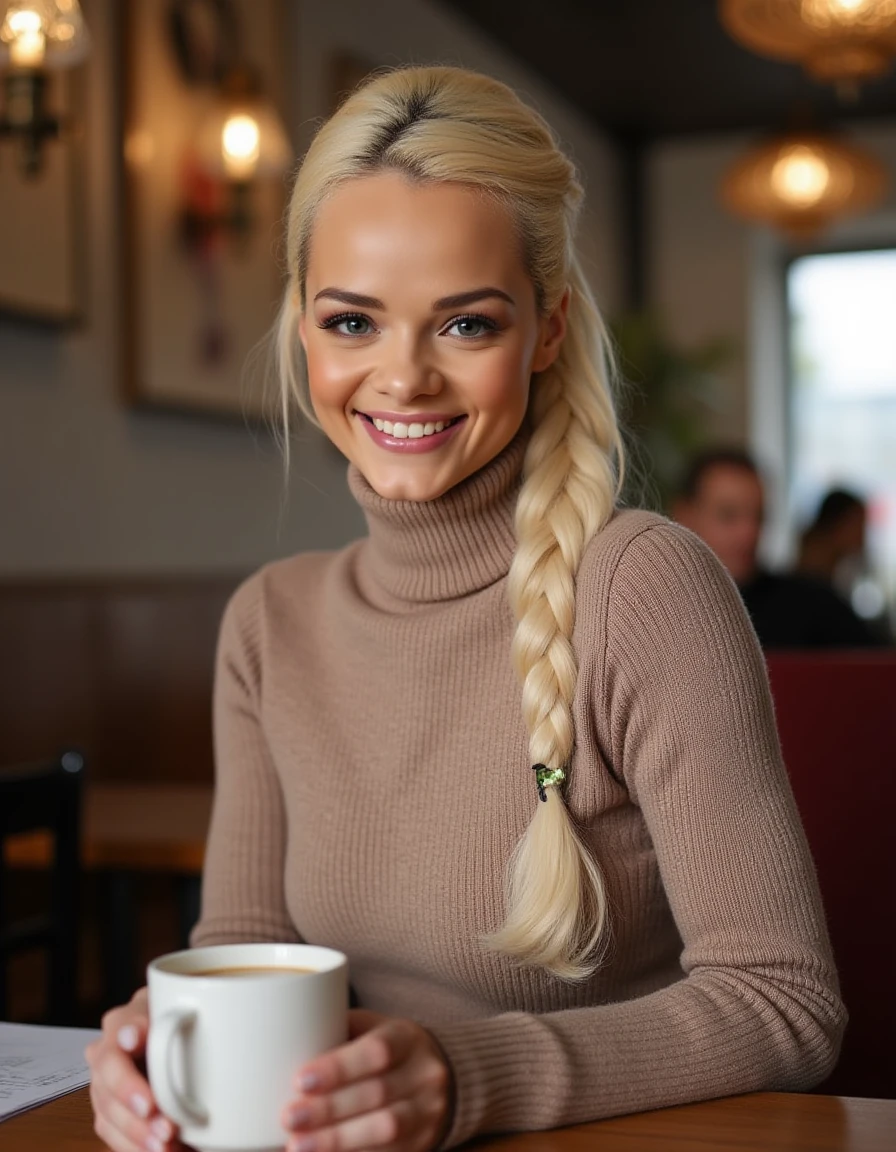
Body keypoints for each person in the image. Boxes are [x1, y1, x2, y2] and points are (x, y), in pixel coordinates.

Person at [86, 66, 844, 1152]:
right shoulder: (268, 622)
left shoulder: (644, 589)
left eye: (463, 327)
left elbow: (783, 1003)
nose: (400, 378)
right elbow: (246, 941)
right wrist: (164, 1045)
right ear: (303, 329)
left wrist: (460, 1077)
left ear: (543, 332)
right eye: (352, 320)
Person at [673, 447, 880, 649]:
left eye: (759, 517)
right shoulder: (658, 609)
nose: (750, 533)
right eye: (729, 515)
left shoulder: (813, 606)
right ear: (684, 515)